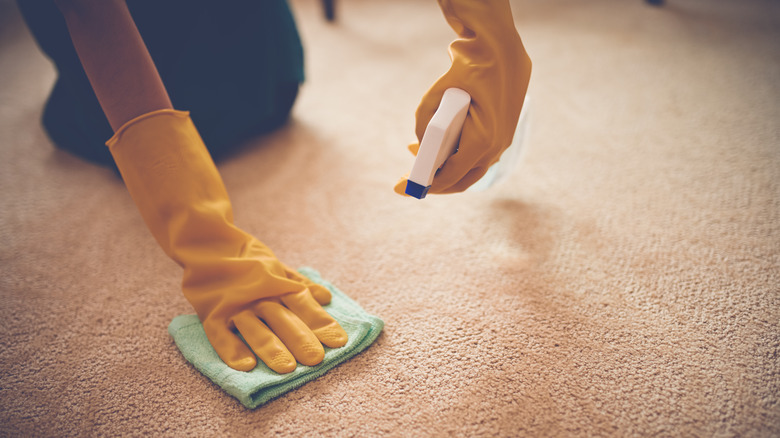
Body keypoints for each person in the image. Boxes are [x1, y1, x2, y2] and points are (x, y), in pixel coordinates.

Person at [19, 0, 531, 373]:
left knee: (264, 84)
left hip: (258, 56)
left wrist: (487, 33)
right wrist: (202, 235)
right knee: (123, 109)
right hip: (114, 20)